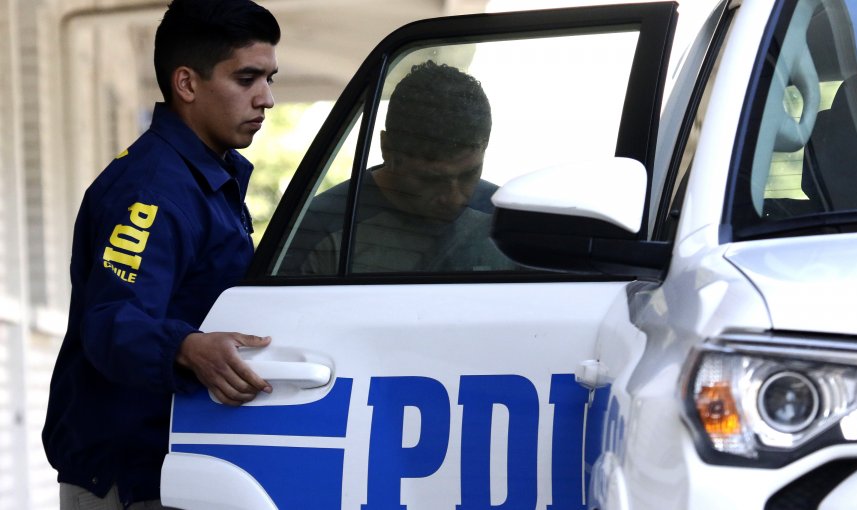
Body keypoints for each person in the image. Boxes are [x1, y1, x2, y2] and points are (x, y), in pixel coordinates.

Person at [42, 1, 280, 508]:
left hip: (178, 463)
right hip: (128, 477)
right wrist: (188, 347)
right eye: (247, 78)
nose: (267, 99)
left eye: (269, 79)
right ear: (187, 84)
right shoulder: (150, 190)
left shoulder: (211, 178)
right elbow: (111, 322)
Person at [283, 60, 514, 275]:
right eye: (432, 180)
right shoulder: (319, 230)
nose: (454, 198)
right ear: (387, 149)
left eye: (468, 175)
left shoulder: (507, 222)